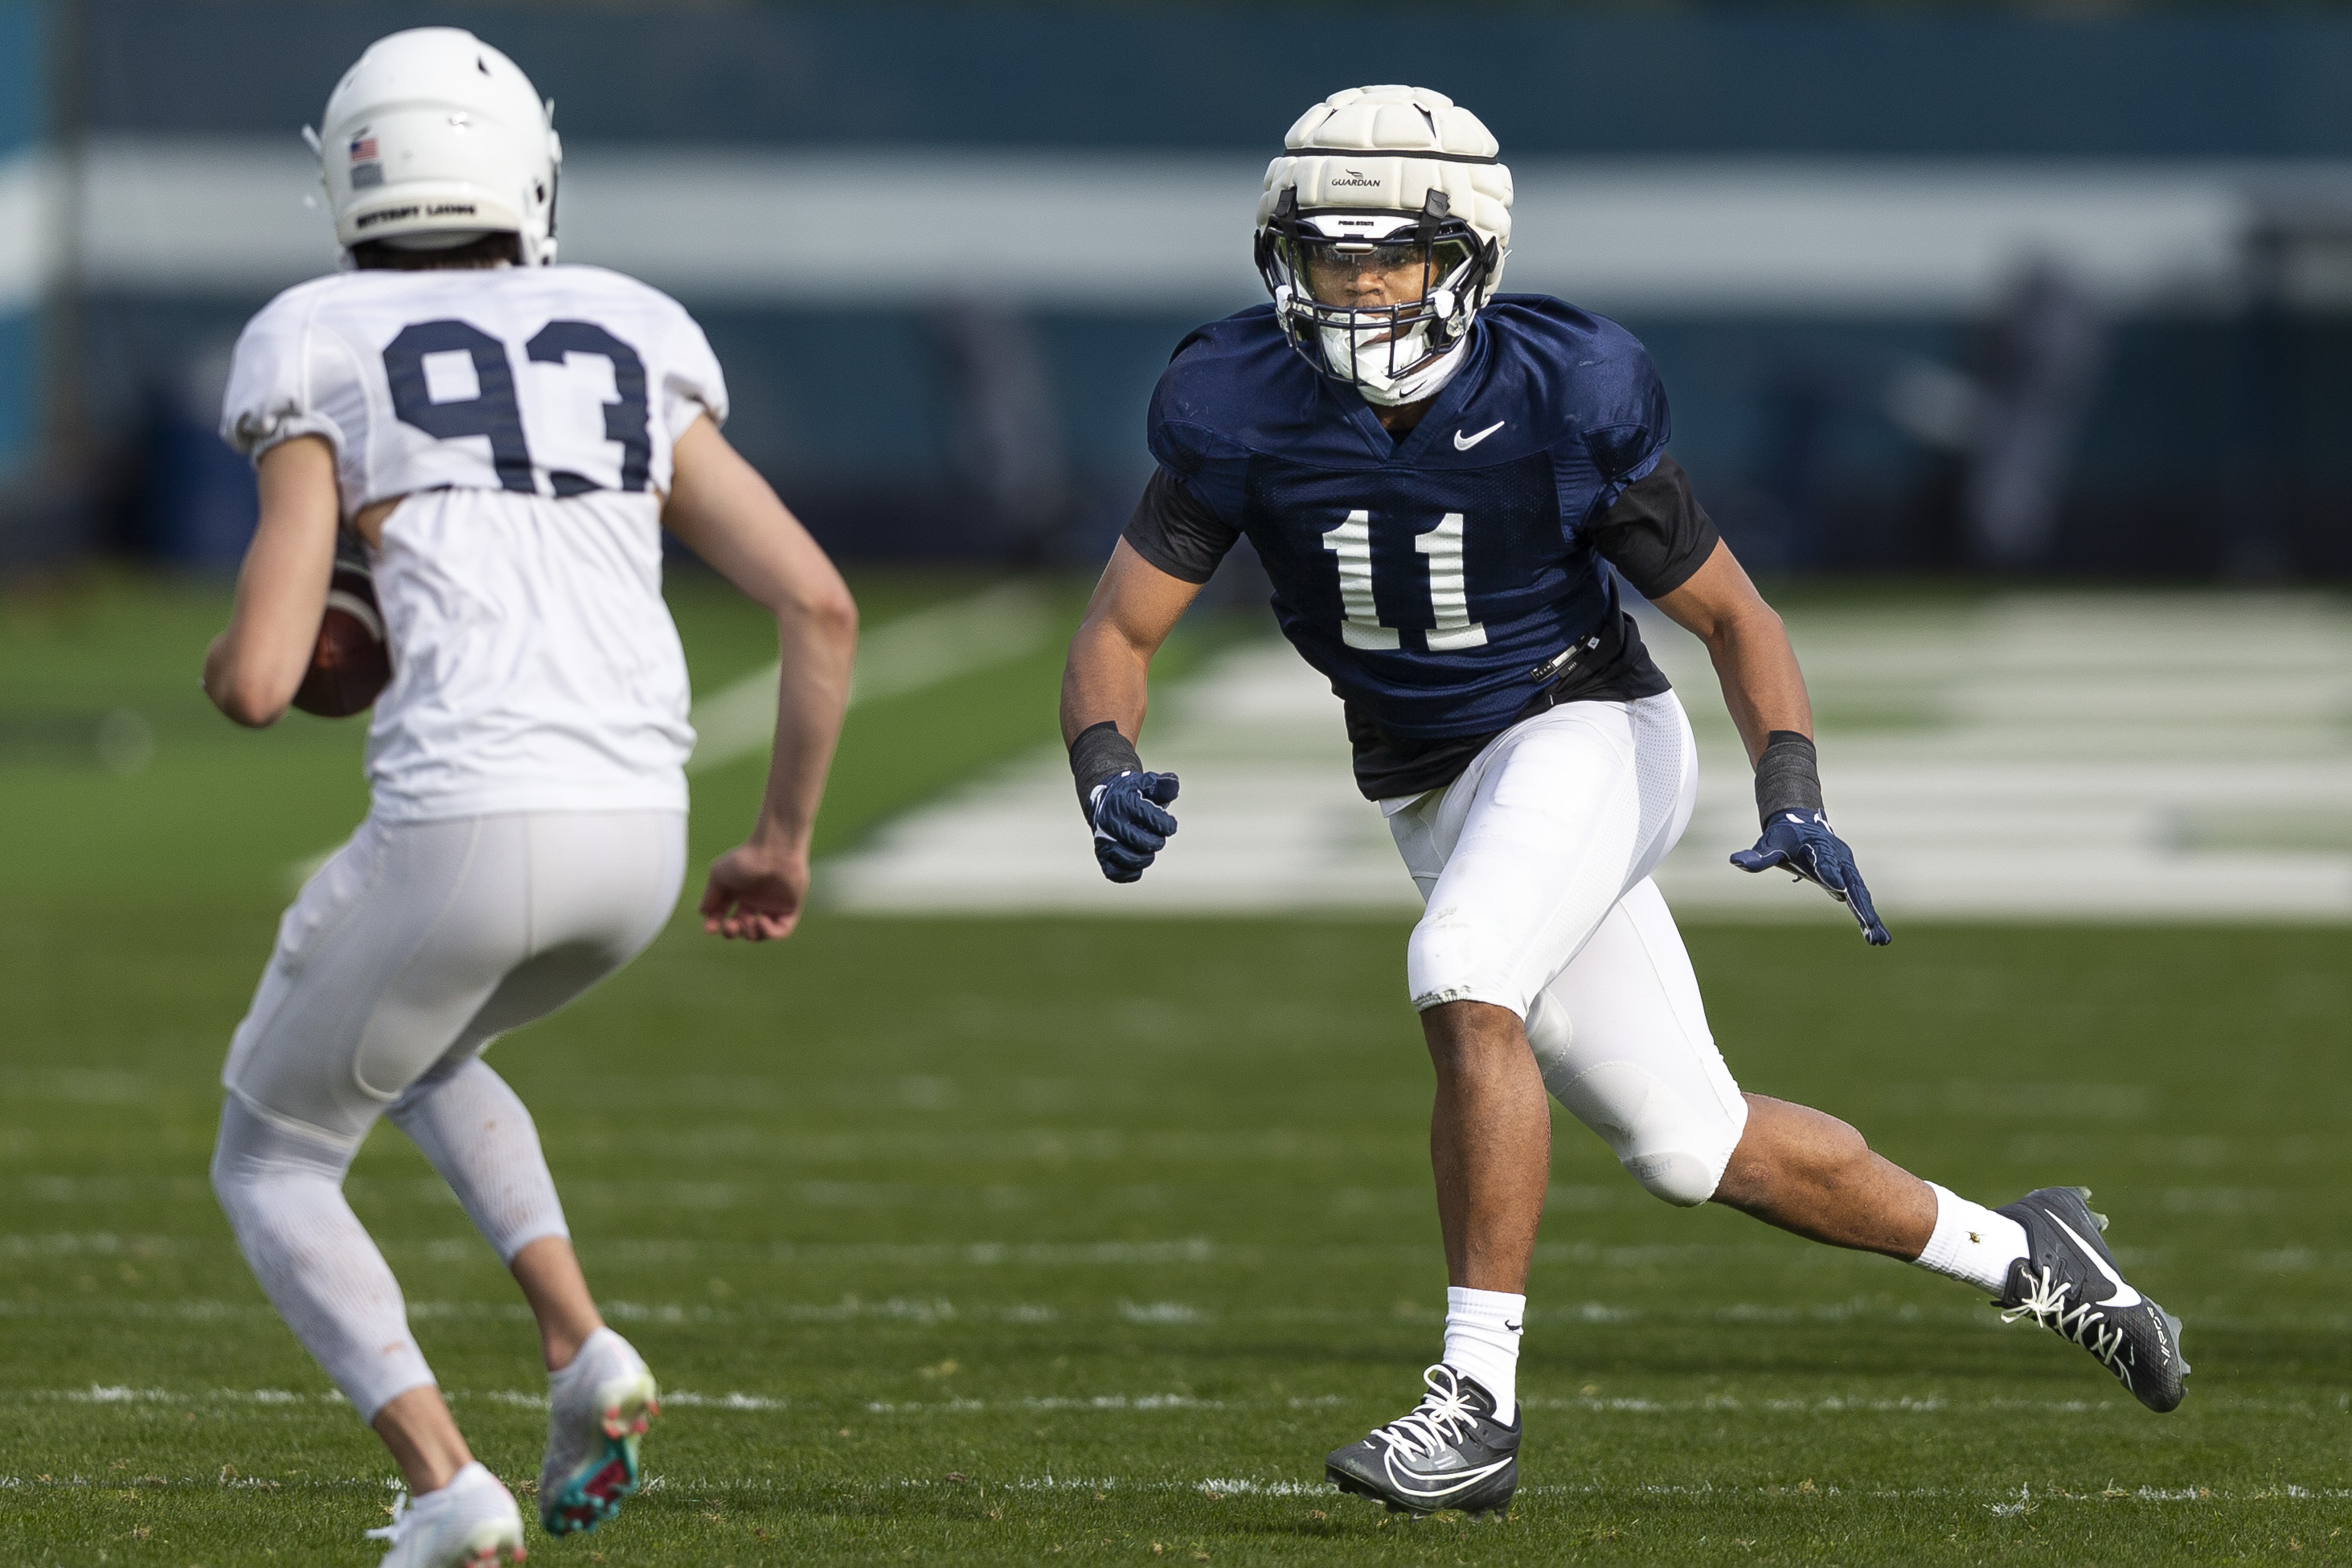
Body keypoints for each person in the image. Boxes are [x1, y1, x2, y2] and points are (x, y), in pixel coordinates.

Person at [1058, 84, 2186, 1520]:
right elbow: (1115, 635)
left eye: (1389, 252)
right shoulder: (1232, 401)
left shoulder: (1561, 388)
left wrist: (1789, 781)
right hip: (1428, 786)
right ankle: (2027, 1256)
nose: (1357, 284)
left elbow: (1731, 614)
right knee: (1687, 1144)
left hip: (1586, 726)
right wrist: (1103, 762)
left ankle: (1471, 1407)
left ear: (1464, 252)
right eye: (1331, 253)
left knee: (1463, 975)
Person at [201, 28, 855, 1565]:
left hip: (465, 823)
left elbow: (253, 681)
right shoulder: (631, 327)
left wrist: (269, 635)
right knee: (422, 1055)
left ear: (346, 183)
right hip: (639, 835)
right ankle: (577, 1348)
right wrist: (780, 840)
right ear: (530, 172)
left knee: (272, 1157)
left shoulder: (317, 335)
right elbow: (818, 606)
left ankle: (444, 1486)